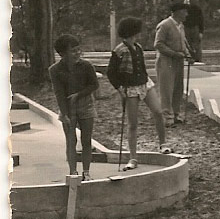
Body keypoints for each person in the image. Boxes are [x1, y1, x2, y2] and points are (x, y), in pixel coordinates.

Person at [107, 16, 172, 170]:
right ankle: (133, 158)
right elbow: (111, 72)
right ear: (131, 31)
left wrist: (146, 82)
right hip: (130, 88)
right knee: (133, 123)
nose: (138, 34)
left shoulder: (138, 47)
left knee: (158, 111)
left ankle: (163, 144)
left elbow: (141, 67)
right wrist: (119, 89)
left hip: (144, 83)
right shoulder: (119, 50)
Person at [49, 34, 99, 181]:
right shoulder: (55, 70)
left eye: (79, 50)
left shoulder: (87, 66)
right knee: (71, 141)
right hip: (67, 108)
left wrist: (79, 94)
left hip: (86, 105)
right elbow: (58, 92)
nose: (77, 53)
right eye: (73, 51)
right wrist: (64, 113)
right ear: (62, 54)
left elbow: (94, 85)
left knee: (86, 140)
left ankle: (87, 172)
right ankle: (73, 172)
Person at [155, 2, 193, 125]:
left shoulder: (180, 26)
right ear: (177, 12)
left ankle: (175, 114)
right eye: (184, 11)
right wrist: (173, 53)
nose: (186, 14)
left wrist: (188, 54)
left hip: (179, 60)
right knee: (166, 88)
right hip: (166, 60)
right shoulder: (165, 25)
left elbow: (183, 42)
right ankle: (166, 117)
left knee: (178, 88)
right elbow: (158, 44)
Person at [183, 0, 205, 64]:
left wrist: (201, 32)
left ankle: (198, 60)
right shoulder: (185, 8)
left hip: (195, 28)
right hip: (186, 28)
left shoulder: (197, 9)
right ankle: (189, 59)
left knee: (197, 45)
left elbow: (201, 21)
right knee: (187, 45)